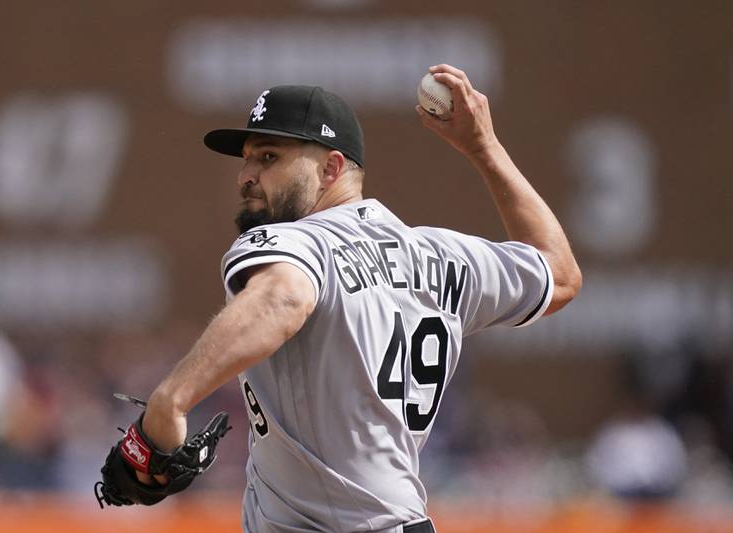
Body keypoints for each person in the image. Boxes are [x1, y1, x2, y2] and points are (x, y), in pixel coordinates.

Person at [138, 64, 582, 532]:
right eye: (247, 159)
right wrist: (485, 150)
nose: (245, 176)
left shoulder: (297, 242)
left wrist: (168, 402)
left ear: (331, 167)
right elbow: (561, 273)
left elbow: (284, 298)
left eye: (269, 157)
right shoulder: (438, 254)